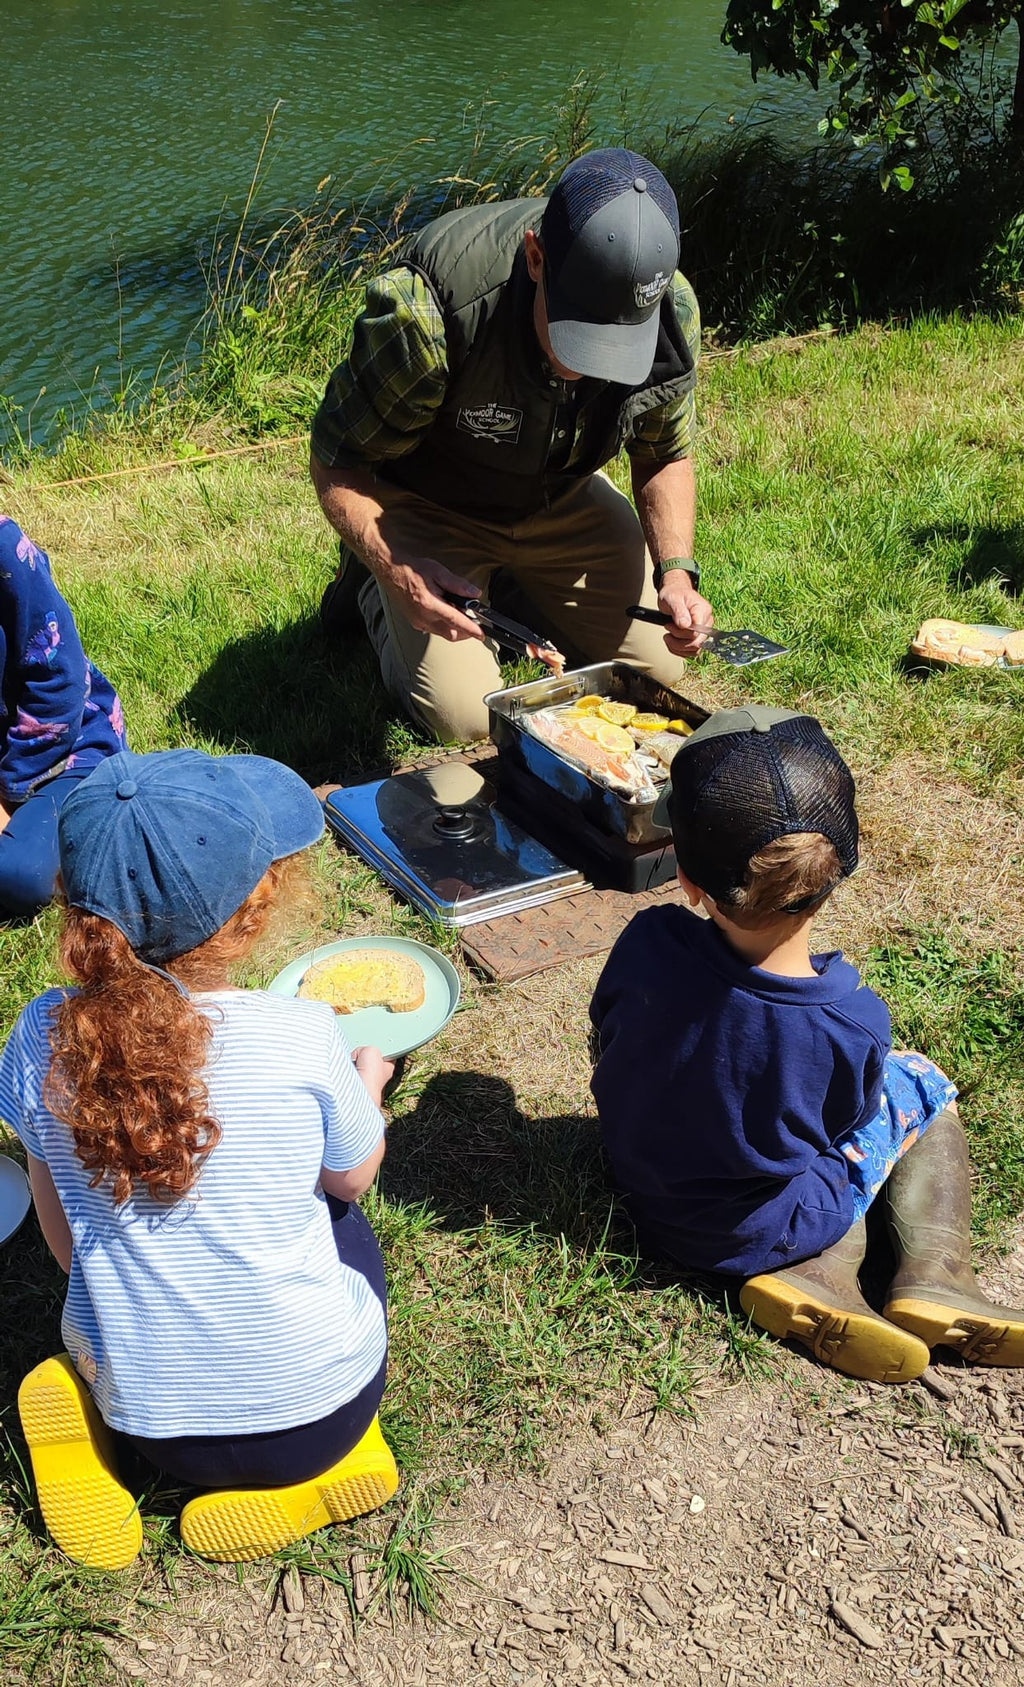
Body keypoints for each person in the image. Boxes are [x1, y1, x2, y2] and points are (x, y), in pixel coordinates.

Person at [3, 749, 398, 1569]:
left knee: (105, 1292)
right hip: (327, 1408)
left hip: (151, 1421)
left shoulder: (39, 1038)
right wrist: (368, 1085)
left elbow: (66, 1243)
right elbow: (352, 1176)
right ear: (254, 912)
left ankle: (93, 1435)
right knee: (346, 1228)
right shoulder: (301, 1032)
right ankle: (323, 1476)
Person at [589, 706, 1024, 1383]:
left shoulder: (646, 943)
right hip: (761, 1225)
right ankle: (924, 1274)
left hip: (646, 1190)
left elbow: (605, 1032)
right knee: (919, 1087)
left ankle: (832, 1276)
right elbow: (837, 1130)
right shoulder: (851, 1022)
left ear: (688, 879)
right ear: (836, 870)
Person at [310, 146, 713, 743]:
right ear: (534, 256)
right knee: (470, 718)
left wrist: (677, 574)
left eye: (615, 343)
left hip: (559, 496)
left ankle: (513, 584)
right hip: (431, 506)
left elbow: (663, 452)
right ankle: (375, 594)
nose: (590, 367)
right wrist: (395, 565)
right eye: (579, 333)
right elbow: (336, 459)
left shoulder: (666, 307)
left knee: (659, 666)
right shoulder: (429, 312)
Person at [0, 515, 129, 919]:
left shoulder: (6, 553)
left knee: (21, 875)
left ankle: (102, 816)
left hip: (60, 753)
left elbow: (59, 682)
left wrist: (7, 794)